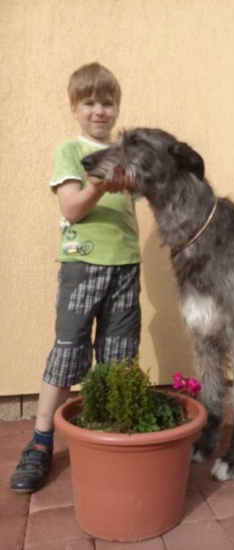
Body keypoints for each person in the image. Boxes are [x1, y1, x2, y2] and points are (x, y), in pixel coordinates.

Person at [10, 62, 141, 493]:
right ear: (74, 108)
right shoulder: (70, 150)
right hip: (82, 266)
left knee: (119, 356)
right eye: (90, 103)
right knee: (69, 351)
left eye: (108, 102)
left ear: (117, 106)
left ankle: (113, 431)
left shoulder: (125, 152)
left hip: (125, 266)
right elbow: (71, 208)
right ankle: (41, 440)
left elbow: (138, 200)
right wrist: (100, 185)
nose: (100, 111)